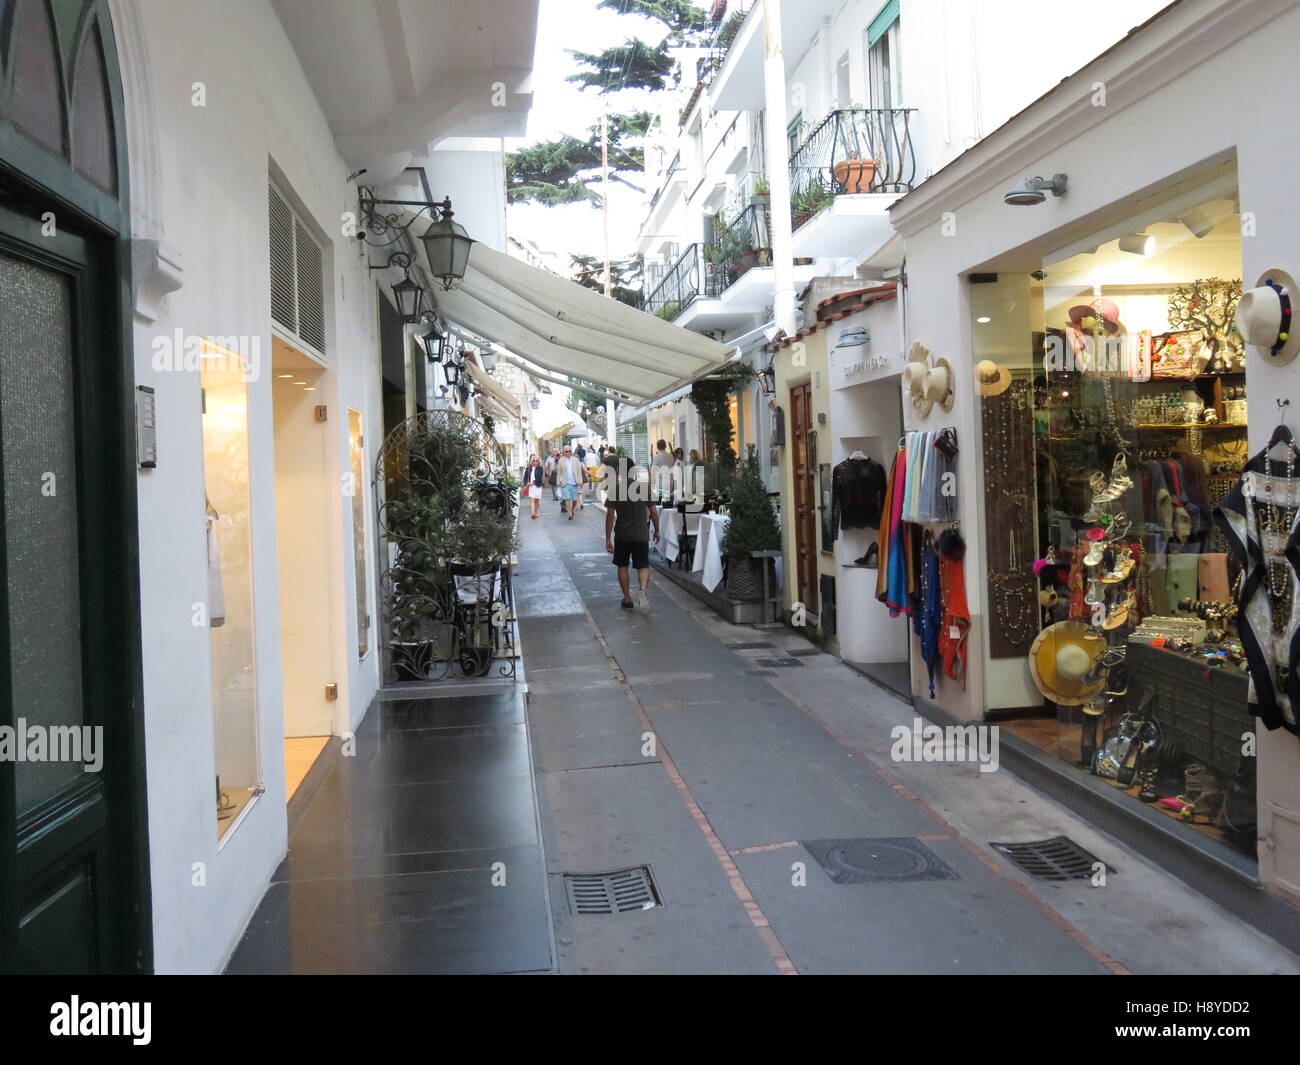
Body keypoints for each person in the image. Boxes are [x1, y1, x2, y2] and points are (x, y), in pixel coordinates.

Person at [604, 454, 659, 610]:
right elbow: (654, 512)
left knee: (622, 566)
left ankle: (627, 599)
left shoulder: (616, 489)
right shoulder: (643, 487)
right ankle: (642, 589)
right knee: (643, 566)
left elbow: (609, 516)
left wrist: (608, 539)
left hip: (622, 535)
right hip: (641, 534)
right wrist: (657, 530)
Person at [555, 444, 586, 520]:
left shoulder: (576, 460)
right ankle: (569, 513)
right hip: (565, 483)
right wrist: (558, 482)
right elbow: (559, 472)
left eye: (570, 451)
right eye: (567, 451)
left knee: (574, 499)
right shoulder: (561, 461)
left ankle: (572, 509)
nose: (569, 452)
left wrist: (580, 481)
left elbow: (579, 472)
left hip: (574, 482)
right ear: (564, 452)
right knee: (567, 498)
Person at [523, 454, 544, 519]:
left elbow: (539, 478)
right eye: (534, 461)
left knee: (537, 500)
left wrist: (532, 483)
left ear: (539, 462)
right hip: (530, 487)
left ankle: (536, 512)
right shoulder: (529, 468)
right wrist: (526, 484)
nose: (535, 462)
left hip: (537, 486)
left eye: (536, 461)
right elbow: (525, 477)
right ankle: (533, 514)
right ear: (532, 461)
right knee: (532, 499)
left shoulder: (540, 468)